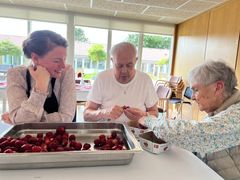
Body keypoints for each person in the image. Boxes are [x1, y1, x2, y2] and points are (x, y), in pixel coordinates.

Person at [139, 60, 240, 180]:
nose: (192, 97)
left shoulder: (236, 115)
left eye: (196, 90)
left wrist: (149, 120)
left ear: (218, 88)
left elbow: (197, 134)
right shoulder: (220, 109)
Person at [2, 30, 76, 124]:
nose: (63, 66)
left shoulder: (67, 72)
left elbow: (66, 118)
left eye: (64, 59)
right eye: (56, 61)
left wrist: (19, 119)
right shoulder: (16, 74)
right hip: (29, 137)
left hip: (61, 136)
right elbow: (21, 122)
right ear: (35, 58)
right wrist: (41, 86)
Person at [84, 42, 158, 124]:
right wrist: (104, 113)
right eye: (119, 66)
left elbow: (155, 113)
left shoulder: (145, 80)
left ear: (136, 61)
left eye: (129, 65)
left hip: (137, 132)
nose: (124, 71)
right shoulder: (102, 78)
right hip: (109, 132)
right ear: (112, 61)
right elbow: (86, 115)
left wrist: (144, 115)